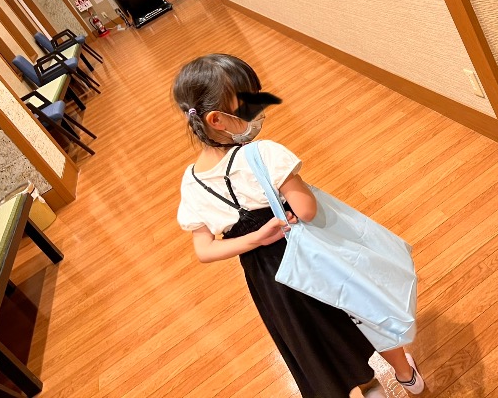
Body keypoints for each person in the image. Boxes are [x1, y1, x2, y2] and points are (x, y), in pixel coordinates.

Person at [173, 54, 425, 398]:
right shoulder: (263, 153)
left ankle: (368, 390)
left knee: (320, 338)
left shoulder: (191, 183)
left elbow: (204, 250)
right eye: (249, 102)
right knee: (361, 314)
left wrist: (256, 239)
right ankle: (405, 374)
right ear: (218, 119)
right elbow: (305, 210)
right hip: (314, 256)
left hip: (271, 280)